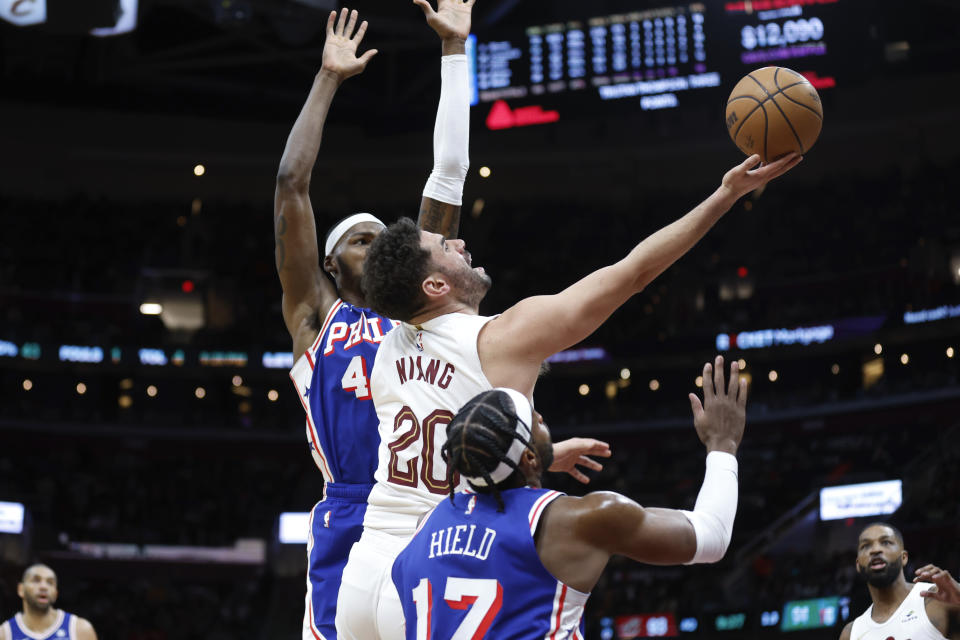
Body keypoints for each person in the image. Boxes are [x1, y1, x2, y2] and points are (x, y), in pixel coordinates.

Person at [335, 148, 801, 636]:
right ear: (433, 285)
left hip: (366, 569)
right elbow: (634, 272)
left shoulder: (385, 344)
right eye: (446, 247)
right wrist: (726, 194)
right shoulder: (503, 337)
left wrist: (536, 451)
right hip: (443, 559)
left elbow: (436, 426)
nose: (461, 243)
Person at [275, 4, 606, 638]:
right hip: (355, 514)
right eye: (359, 240)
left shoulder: (424, 310)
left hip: (448, 507)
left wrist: (456, 52)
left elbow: (448, 172)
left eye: (384, 237)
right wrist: (327, 77)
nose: (376, 243)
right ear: (330, 266)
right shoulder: (318, 317)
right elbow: (291, 184)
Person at [389, 356, 744, 637]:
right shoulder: (579, 519)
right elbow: (712, 535)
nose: (541, 415)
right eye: (534, 419)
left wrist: (535, 462)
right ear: (528, 458)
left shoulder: (424, 527)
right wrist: (723, 445)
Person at [839, 522, 960, 639]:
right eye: (866, 546)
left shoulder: (939, 598)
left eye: (885, 542)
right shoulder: (851, 634)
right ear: (858, 565)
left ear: (904, 558)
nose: (875, 550)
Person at [0, 564, 97, 640]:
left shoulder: (81, 629)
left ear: (56, 594)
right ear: (20, 589)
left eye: (50, 582)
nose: (44, 587)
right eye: (36, 580)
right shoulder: (4, 634)